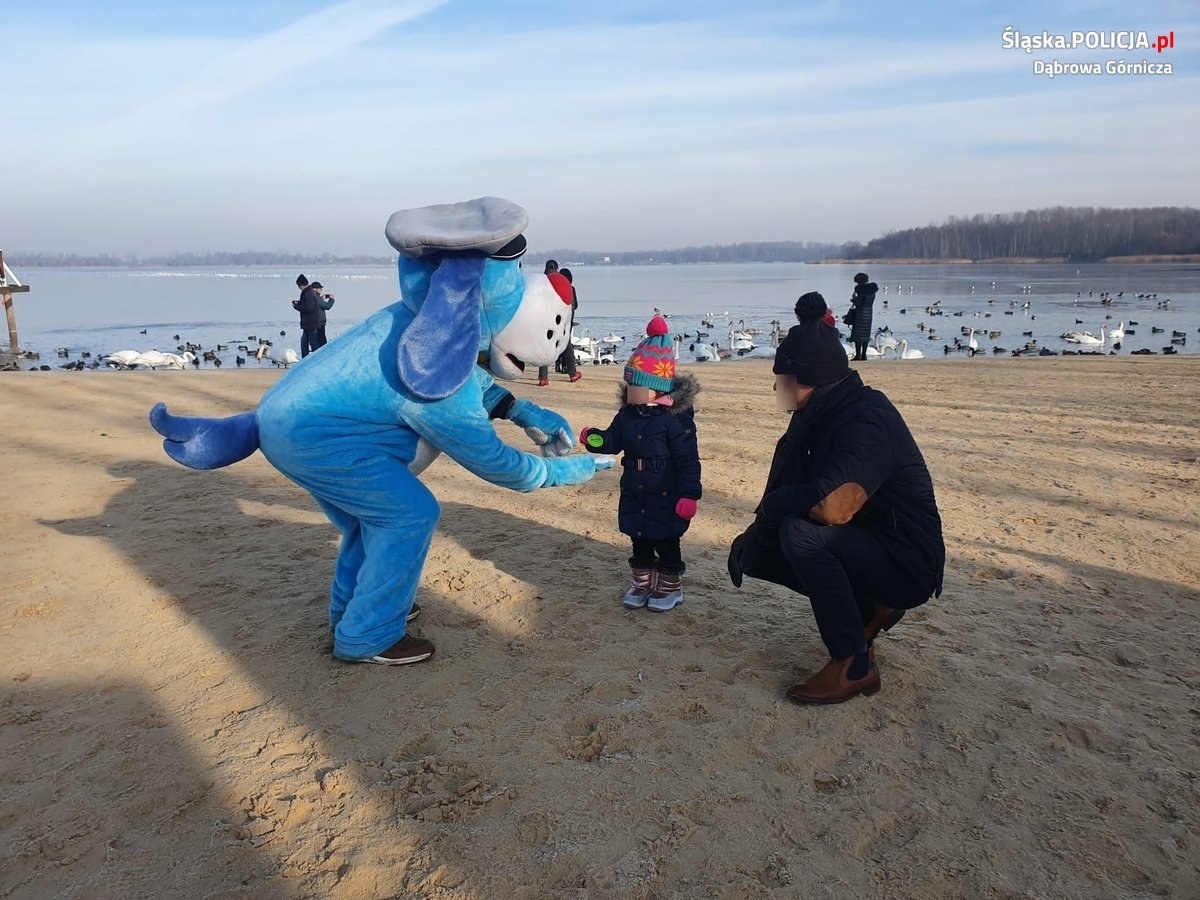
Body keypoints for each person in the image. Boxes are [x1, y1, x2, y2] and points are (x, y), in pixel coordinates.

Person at [727, 291, 944, 704]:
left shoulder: (864, 419)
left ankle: (853, 664)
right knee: (762, 550)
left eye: (784, 380)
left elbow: (832, 505)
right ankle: (868, 613)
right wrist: (758, 531)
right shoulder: (820, 415)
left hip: (909, 559)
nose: (778, 388)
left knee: (799, 534)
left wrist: (775, 506)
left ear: (808, 380)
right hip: (870, 541)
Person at [581, 316, 701, 611]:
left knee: (667, 540)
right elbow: (613, 439)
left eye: (637, 385)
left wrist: (689, 495)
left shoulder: (675, 420)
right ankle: (643, 582)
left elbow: (688, 460)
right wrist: (596, 439)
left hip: (666, 491)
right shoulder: (627, 415)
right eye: (630, 383)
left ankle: (671, 586)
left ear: (656, 387)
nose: (631, 390)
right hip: (635, 490)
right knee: (640, 538)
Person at [536, 260, 582, 385]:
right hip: (560, 321)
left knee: (546, 345)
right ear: (556, 268)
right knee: (566, 344)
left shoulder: (542, 282)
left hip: (544, 319)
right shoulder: (562, 283)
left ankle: (543, 378)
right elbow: (573, 305)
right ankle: (573, 374)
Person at [296, 280, 335, 357]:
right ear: (315, 289)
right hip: (319, 324)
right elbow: (327, 306)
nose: (321, 290)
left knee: (308, 342)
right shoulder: (315, 297)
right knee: (320, 343)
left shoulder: (312, 296)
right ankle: (320, 358)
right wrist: (332, 299)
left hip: (312, 323)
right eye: (320, 288)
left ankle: (308, 358)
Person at [846, 272, 879, 361]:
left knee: (858, 335)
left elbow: (859, 302)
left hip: (860, 313)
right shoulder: (872, 290)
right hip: (869, 313)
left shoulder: (859, 289)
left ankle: (858, 355)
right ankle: (864, 355)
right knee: (865, 334)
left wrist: (853, 299)